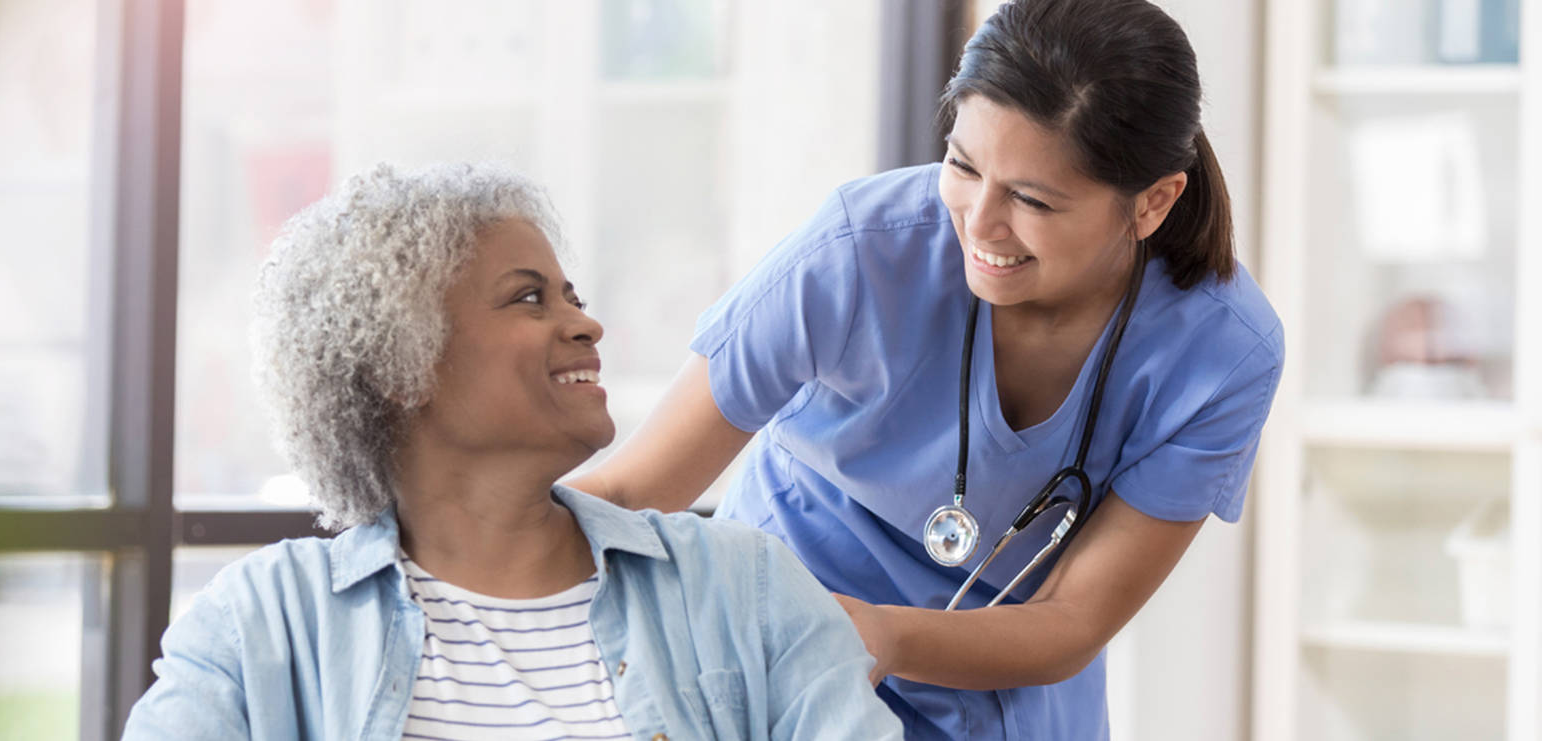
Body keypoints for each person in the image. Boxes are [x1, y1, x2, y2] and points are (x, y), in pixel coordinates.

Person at [566, 1, 1284, 738]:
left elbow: (1073, 618)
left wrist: (877, 634)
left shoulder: (1222, 353)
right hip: (771, 662)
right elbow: (628, 491)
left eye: (1031, 200)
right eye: (963, 165)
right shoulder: (860, 250)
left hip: (1002, 687)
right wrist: (461, 550)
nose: (978, 222)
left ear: (1154, 202)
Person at [122, 163, 906, 740]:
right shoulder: (261, 621)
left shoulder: (747, 588)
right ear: (406, 365)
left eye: (574, 297)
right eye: (529, 297)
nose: (584, 325)